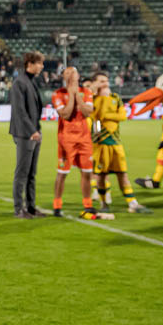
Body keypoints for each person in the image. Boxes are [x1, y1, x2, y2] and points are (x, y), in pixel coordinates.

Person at [89, 71, 149, 213]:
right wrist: (104, 103)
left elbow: (123, 115)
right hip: (101, 143)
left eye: (106, 80)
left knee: (123, 174)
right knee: (102, 176)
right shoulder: (92, 99)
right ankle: (104, 204)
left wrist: (108, 116)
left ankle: (132, 203)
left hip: (116, 142)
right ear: (94, 83)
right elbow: (96, 117)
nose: (105, 83)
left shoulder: (115, 97)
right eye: (101, 81)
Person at [51, 66, 97, 219]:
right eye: (67, 73)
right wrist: (71, 96)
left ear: (78, 75)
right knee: (62, 173)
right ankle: (57, 205)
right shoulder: (58, 94)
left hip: (84, 139)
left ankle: (88, 204)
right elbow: (65, 114)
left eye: (73, 72)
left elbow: (87, 112)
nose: (70, 75)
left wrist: (77, 96)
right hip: (66, 139)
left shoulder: (87, 92)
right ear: (63, 77)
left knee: (87, 172)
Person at [8, 51, 45, 218]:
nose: (42, 66)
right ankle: (19, 209)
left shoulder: (30, 82)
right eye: (39, 63)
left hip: (34, 132)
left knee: (32, 173)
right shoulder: (19, 83)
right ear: (29, 64)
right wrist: (32, 131)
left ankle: (31, 207)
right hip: (26, 134)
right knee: (22, 173)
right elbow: (20, 112)